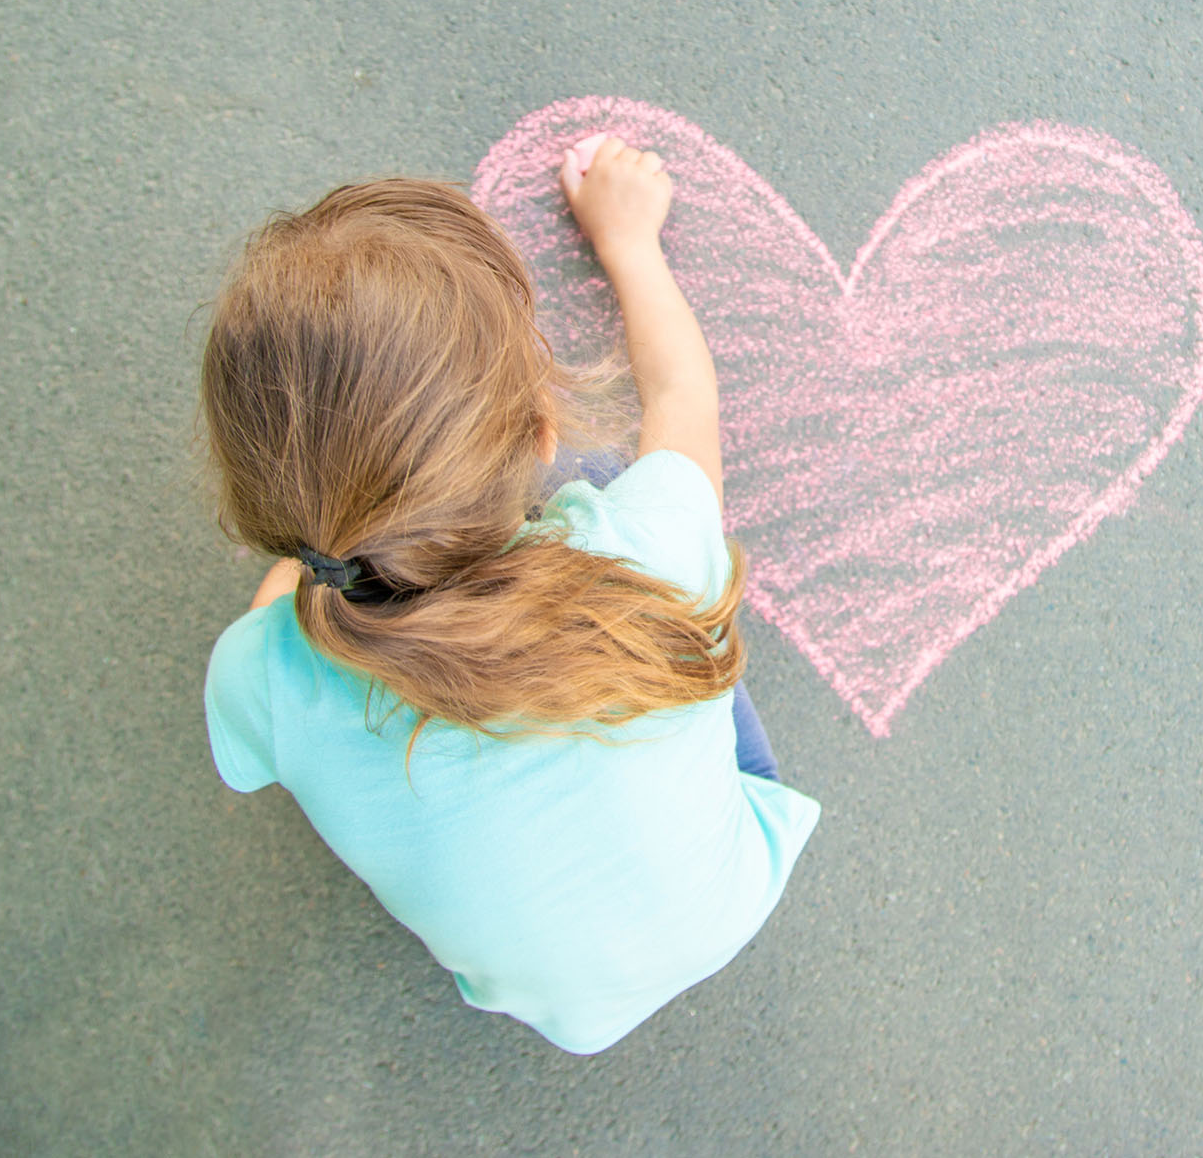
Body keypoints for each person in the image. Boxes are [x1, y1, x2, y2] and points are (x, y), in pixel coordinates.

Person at [199, 138, 818, 1054]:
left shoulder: (253, 675)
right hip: (731, 888)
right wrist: (629, 243)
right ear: (537, 434)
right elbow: (682, 393)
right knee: (629, 505)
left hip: (564, 1010)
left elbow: (254, 728)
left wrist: (306, 575)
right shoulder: (640, 550)